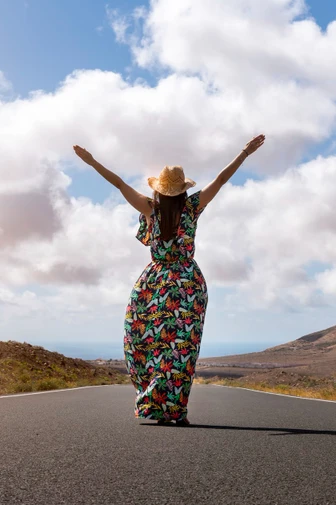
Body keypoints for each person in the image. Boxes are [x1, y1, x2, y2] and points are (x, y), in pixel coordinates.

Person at [73, 134, 266, 425]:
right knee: (181, 351)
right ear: (182, 190)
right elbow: (221, 179)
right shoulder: (192, 208)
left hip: (154, 283)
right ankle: (175, 410)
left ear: (160, 191)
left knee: (141, 341)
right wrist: (244, 153)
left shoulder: (150, 209)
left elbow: (119, 183)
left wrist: (91, 162)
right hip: (188, 283)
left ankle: (156, 403)